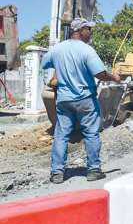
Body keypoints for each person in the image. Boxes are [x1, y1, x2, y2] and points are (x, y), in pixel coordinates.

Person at [41, 17, 121, 184]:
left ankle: (57, 173)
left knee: (61, 135)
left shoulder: (57, 49)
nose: (90, 32)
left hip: (63, 100)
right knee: (91, 134)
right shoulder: (87, 50)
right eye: (88, 29)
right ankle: (93, 170)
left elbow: (44, 63)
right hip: (85, 100)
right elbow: (100, 73)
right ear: (80, 30)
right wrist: (115, 77)